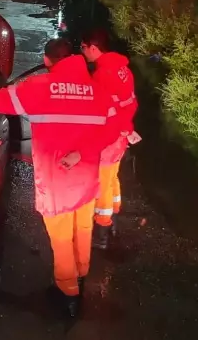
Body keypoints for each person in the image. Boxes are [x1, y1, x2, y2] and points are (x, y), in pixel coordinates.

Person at [0, 39, 121, 317]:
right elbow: (116, 128)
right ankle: (81, 275)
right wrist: (82, 153)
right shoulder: (98, 91)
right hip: (87, 178)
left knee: (61, 239)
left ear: (47, 61)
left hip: (57, 183)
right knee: (82, 230)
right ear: (75, 58)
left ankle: (68, 293)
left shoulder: (38, 88)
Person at [80, 28, 141, 250]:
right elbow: (130, 103)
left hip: (111, 135)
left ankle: (102, 231)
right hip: (123, 132)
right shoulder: (123, 69)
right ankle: (114, 216)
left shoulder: (102, 75)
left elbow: (100, 111)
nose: (83, 51)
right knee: (113, 176)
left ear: (93, 48)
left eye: (83, 47)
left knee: (103, 183)